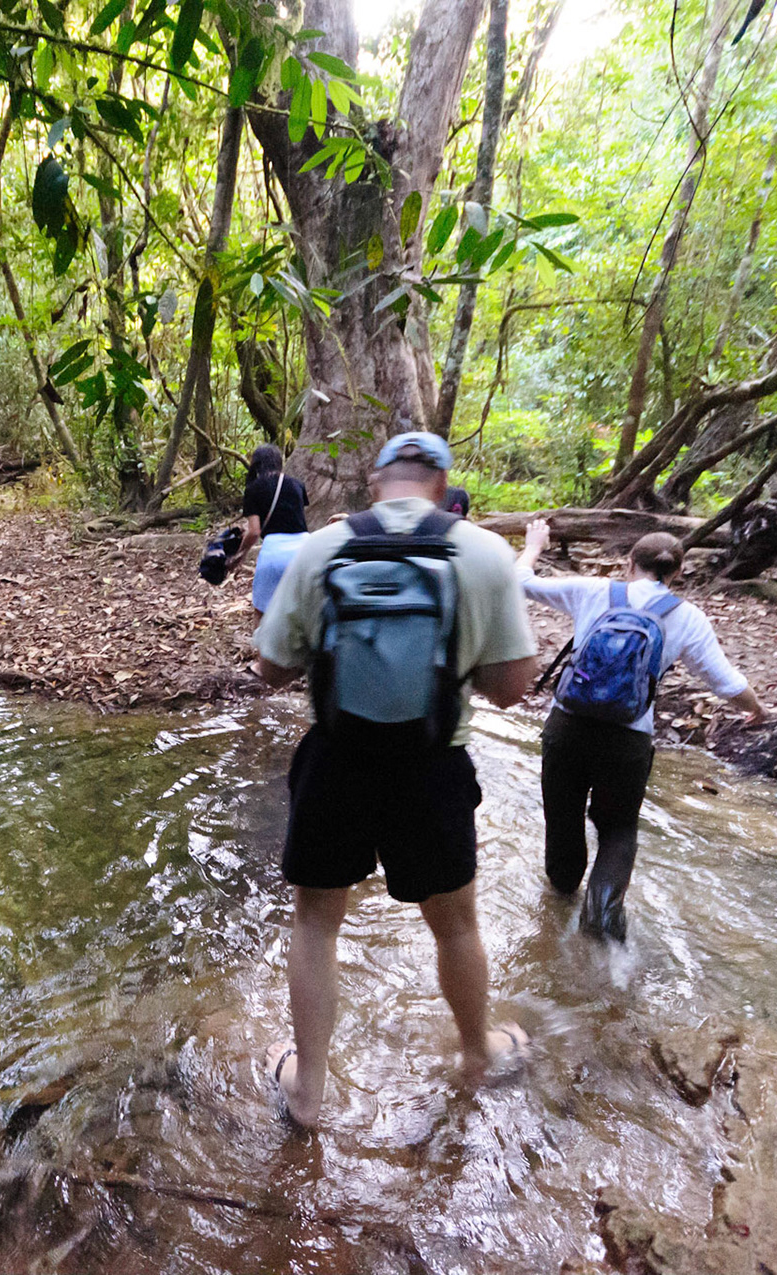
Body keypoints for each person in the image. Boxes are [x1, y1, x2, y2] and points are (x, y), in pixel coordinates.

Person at [252, 431, 541, 1126]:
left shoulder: (322, 547)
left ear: (377, 482)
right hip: (433, 765)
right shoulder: (481, 552)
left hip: (336, 759)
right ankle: (477, 1053)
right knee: (455, 923)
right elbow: (513, 687)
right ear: (442, 485)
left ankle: (309, 1089)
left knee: (317, 922)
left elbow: (270, 669)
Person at [516, 520, 768, 942]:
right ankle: (601, 914)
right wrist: (756, 709)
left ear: (629, 562)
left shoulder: (593, 590)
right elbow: (726, 683)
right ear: (679, 572)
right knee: (617, 828)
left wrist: (533, 546)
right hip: (628, 739)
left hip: (568, 727)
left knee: (563, 816)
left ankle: (559, 902)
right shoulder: (687, 617)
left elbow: (522, 582)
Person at [236, 444, 309, 620]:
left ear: (256, 464)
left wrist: (240, 554)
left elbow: (254, 532)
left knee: (262, 612)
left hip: (274, 551)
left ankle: (263, 648)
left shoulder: (253, 489)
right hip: (305, 549)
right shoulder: (297, 485)